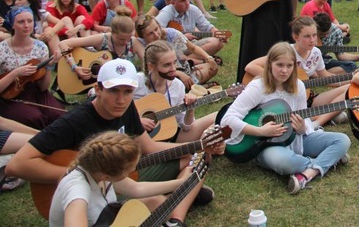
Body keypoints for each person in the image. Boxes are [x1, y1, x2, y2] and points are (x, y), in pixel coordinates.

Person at [6, 59, 223, 227]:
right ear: (98, 89)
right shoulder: (73, 123)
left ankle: (179, 211)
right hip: (99, 182)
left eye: (128, 92)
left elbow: (147, 150)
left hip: (116, 178)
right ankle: (185, 197)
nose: (121, 99)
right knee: (154, 199)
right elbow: (16, 165)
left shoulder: (127, 108)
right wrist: (79, 173)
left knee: (193, 161)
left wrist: (200, 147)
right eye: (113, 91)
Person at [222, 42, 351, 195]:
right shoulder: (258, 87)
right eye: (280, 65)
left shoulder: (299, 86)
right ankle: (328, 160)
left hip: (295, 138)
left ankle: (308, 174)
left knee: (342, 140)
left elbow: (304, 119)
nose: (284, 70)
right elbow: (228, 119)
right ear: (270, 64)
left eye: (289, 66)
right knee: (286, 163)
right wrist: (259, 130)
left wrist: (303, 127)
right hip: (264, 145)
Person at [48, 131, 187, 227]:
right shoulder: (77, 192)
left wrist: (181, 183)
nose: (132, 171)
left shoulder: (97, 169)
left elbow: (137, 188)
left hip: (108, 219)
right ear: (107, 176)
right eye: (128, 170)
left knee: (158, 202)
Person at [243, 16, 351, 126]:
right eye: (307, 36)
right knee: (339, 115)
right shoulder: (287, 52)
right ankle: (321, 118)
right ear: (296, 37)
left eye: (314, 35)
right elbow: (250, 66)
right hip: (282, 103)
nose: (312, 40)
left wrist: (350, 79)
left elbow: (326, 77)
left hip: (307, 100)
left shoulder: (316, 53)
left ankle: (318, 119)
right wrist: (282, 80)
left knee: (348, 89)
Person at [133, 41, 218, 142]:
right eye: (167, 65)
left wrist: (190, 109)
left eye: (174, 62)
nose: (173, 69)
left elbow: (186, 127)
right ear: (151, 66)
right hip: (134, 139)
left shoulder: (177, 86)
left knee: (217, 116)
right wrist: (136, 122)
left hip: (166, 137)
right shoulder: (136, 82)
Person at [0, 6, 65, 129]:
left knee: (57, 114)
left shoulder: (40, 47)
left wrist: (49, 67)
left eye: (30, 21)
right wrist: (15, 73)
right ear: (12, 25)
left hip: (35, 91)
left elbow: (43, 87)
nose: (26, 25)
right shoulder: (2, 49)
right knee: (34, 118)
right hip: (10, 93)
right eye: (21, 22)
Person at [135, 15, 219, 89]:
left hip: (182, 69)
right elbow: (152, 70)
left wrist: (209, 58)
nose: (156, 34)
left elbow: (193, 48)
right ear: (143, 37)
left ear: (159, 26)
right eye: (150, 33)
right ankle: (193, 87)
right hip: (163, 77)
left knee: (211, 68)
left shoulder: (171, 34)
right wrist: (178, 73)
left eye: (156, 29)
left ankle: (191, 85)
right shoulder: (141, 45)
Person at [155, 0, 225, 58]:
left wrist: (218, 33)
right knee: (214, 43)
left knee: (218, 42)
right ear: (173, 3)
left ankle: (188, 60)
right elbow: (156, 31)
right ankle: (190, 60)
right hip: (172, 47)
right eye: (182, 1)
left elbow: (207, 27)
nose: (187, 3)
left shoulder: (193, 9)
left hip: (190, 45)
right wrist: (180, 37)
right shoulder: (166, 12)